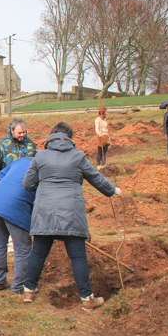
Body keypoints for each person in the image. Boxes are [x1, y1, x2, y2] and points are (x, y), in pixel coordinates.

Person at [21, 122, 122, 310]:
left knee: (39, 252)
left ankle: (29, 291)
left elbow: (27, 184)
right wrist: (113, 190)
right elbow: (96, 178)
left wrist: (45, 184)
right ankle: (86, 299)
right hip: (71, 212)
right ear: (70, 137)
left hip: (45, 211)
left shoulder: (40, 156)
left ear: (51, 136)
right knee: (77, 257)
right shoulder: (78, 156)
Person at [0, 158, 35, 294]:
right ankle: (19, 286)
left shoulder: (19, 161)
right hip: (15, 206)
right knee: (23, 248)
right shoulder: (42, 167)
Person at [0, 117, 37, 194]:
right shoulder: (2, 145)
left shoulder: (31, 144)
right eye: (19, 133)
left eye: (24, 132)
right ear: (12, 131)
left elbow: (37, 164)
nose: (22, 135)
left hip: (27, 187)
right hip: (8, 186)